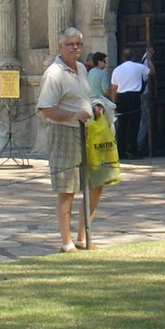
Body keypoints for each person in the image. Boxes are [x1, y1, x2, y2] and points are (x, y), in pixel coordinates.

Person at [37, 27, 104, 251]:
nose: (75, 48)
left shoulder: (81, 70)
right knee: (67, 188)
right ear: (61, 46)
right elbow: (46, 109)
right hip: (64, 132)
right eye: (70, 44)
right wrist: (73, 116)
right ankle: (66, 242)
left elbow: (85, 96)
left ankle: (83, 237)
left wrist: (95, 106)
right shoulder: (54, 74)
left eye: (78, 44)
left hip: (87, 132)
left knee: (95, 184)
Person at [109, 46, 153, 160]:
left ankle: (121, 151)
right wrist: (149, 59)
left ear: (123, 58)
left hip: (121, 98)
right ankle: (133, 150)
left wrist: (114, 102)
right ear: (133, 56)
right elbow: (152, 72)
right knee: (134, 125)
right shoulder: (139, 67)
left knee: (122, 125)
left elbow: (114, 88)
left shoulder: (117, 70)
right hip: (134, 97)